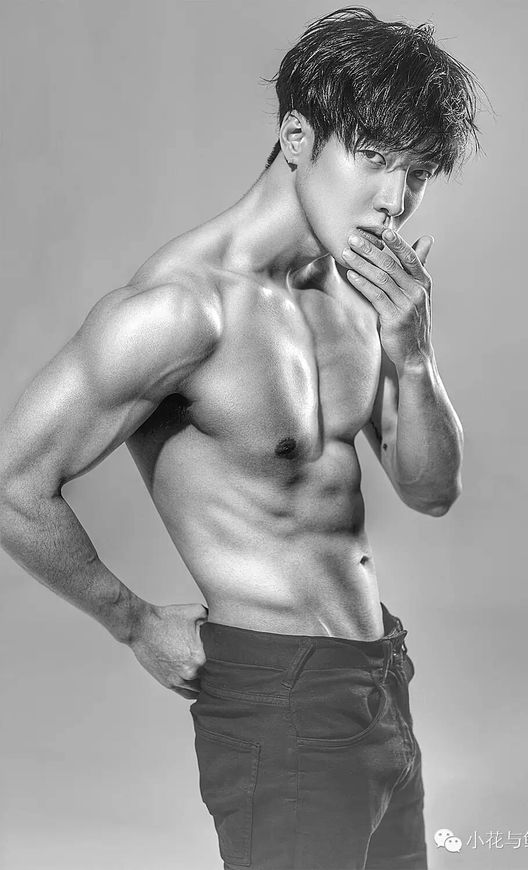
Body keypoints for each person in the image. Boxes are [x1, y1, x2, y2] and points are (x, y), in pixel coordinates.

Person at [0, 7, 483, 869]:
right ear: (297, 138)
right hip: (279, 700)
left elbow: (432, 491)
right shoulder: (180, 311)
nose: (395, 201)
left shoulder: (362, 298)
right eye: (374, 159)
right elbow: (13, 482)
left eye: (414, 174)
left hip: (381, 676)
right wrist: (132, 622)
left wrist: (413, 354)